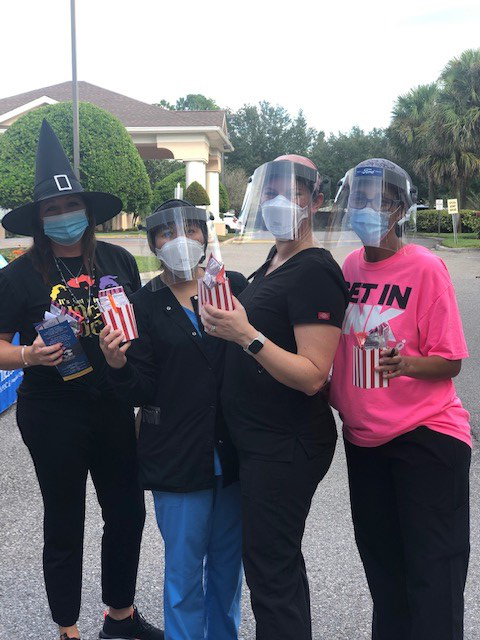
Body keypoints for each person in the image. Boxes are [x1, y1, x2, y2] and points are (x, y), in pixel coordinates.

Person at [0, 120, 163, 640]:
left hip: (114, 405)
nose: (64, 217)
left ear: (87, 212)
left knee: (126, 514)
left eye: (71, 208)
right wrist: (29, 353)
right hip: (52, 412)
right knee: (65, 520)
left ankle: (120, 616)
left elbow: (137, 329)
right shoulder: (19, 275)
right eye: (52, 211)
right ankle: (66, 627)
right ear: (39, 220)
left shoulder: (117, 260)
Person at [200, 155, 349, 640]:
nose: (279, 202)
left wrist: (246, 335)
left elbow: (312, 375)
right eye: (270, 192)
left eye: (294, 193)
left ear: (317, 202)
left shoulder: (314, 270)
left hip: (286, 444)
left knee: (270, 569)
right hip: (257, 440)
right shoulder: (274, 260)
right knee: (275, 561)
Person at [328, 158, 471, 640]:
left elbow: (450, 361)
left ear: (401, 209)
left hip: (425, 436)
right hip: (365, 442)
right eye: (359, 200)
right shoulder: (349, 267)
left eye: (381, 201)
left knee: (433, 574)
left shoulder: (425, 267)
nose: (367, 209)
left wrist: (405, 364)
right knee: (384, 572)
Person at [99, 199, 247, 640]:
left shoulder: (232, 285)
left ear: (205, 236)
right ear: (153, 243)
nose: (179, 241)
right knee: (183, 574)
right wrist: (117, 364)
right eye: (166, 234)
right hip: (178, 456)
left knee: (227, 570)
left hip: (233, 451)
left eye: (190, 231)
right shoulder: (143, 303)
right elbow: (140, 389)